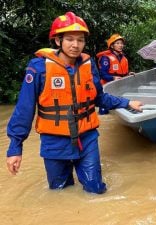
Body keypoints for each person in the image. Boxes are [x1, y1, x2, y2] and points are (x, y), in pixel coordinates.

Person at [5, 12, 143, 194]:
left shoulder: (88, 64)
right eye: (69, 39)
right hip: (54, 142)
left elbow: (98, 98)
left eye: (80, 40)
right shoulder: (38, 68)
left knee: (95, 189)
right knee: (59, 191)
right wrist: (15, 148)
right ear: (57, 41)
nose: (75, 45)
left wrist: (126, 103)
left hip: (87, 138)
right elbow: (25, 109)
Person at [96, 34, 135, 114]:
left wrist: (128, 74)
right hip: (106, 89)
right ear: (112, 46)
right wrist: (113, 78)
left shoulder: (124, 59)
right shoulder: (105, 58)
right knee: (104, 113)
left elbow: (123, 74)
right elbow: (103, 74)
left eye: (121, 43)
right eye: (117, 43)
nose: (120, 45)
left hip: (118, 88)